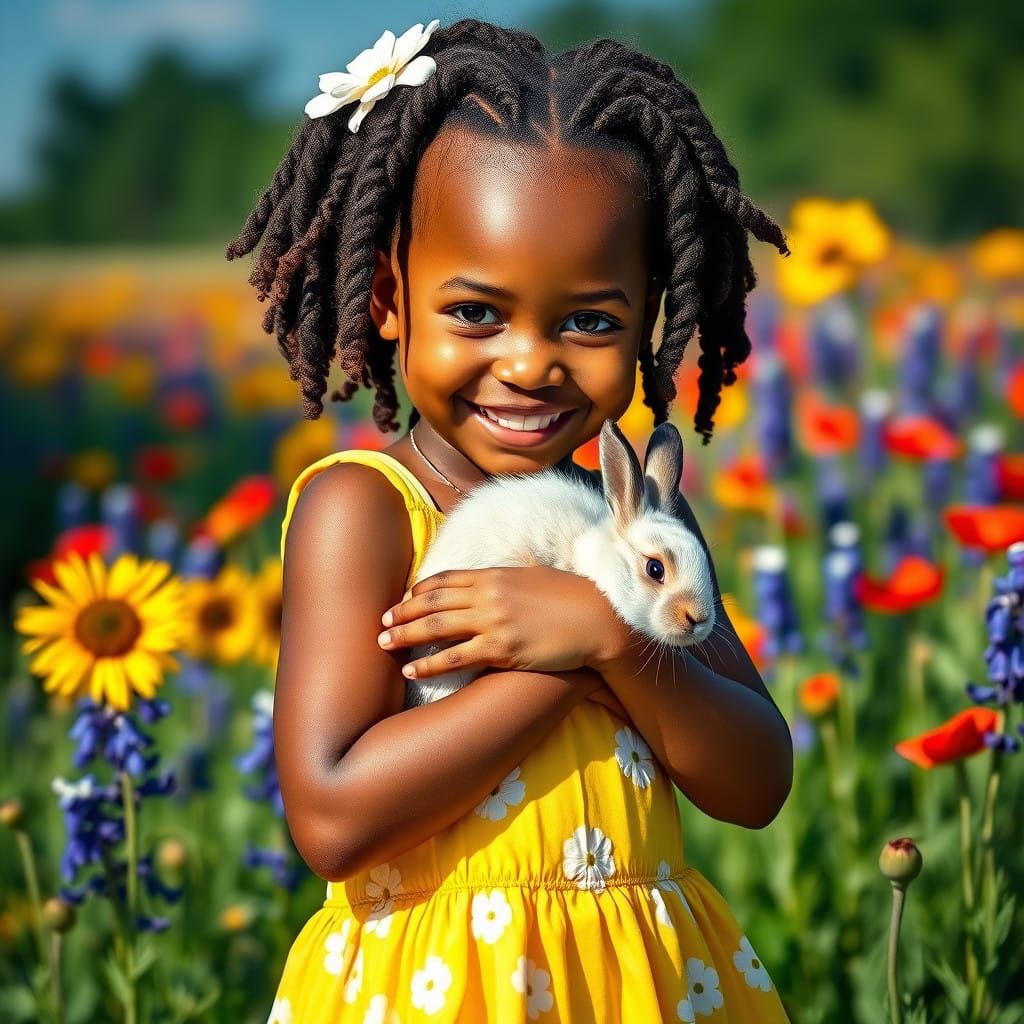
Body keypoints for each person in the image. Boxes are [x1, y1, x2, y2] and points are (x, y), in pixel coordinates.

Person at [227, 16, 794, 1023]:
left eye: (588, 320)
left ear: (647, 318)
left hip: (637, 989)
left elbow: (753, 781)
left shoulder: (645, 531)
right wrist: (571, 662)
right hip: (438, 990)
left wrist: (608, 634)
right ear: (391, 298)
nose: (531, 362)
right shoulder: (366, 510)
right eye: (478, 313)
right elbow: (330, 813)